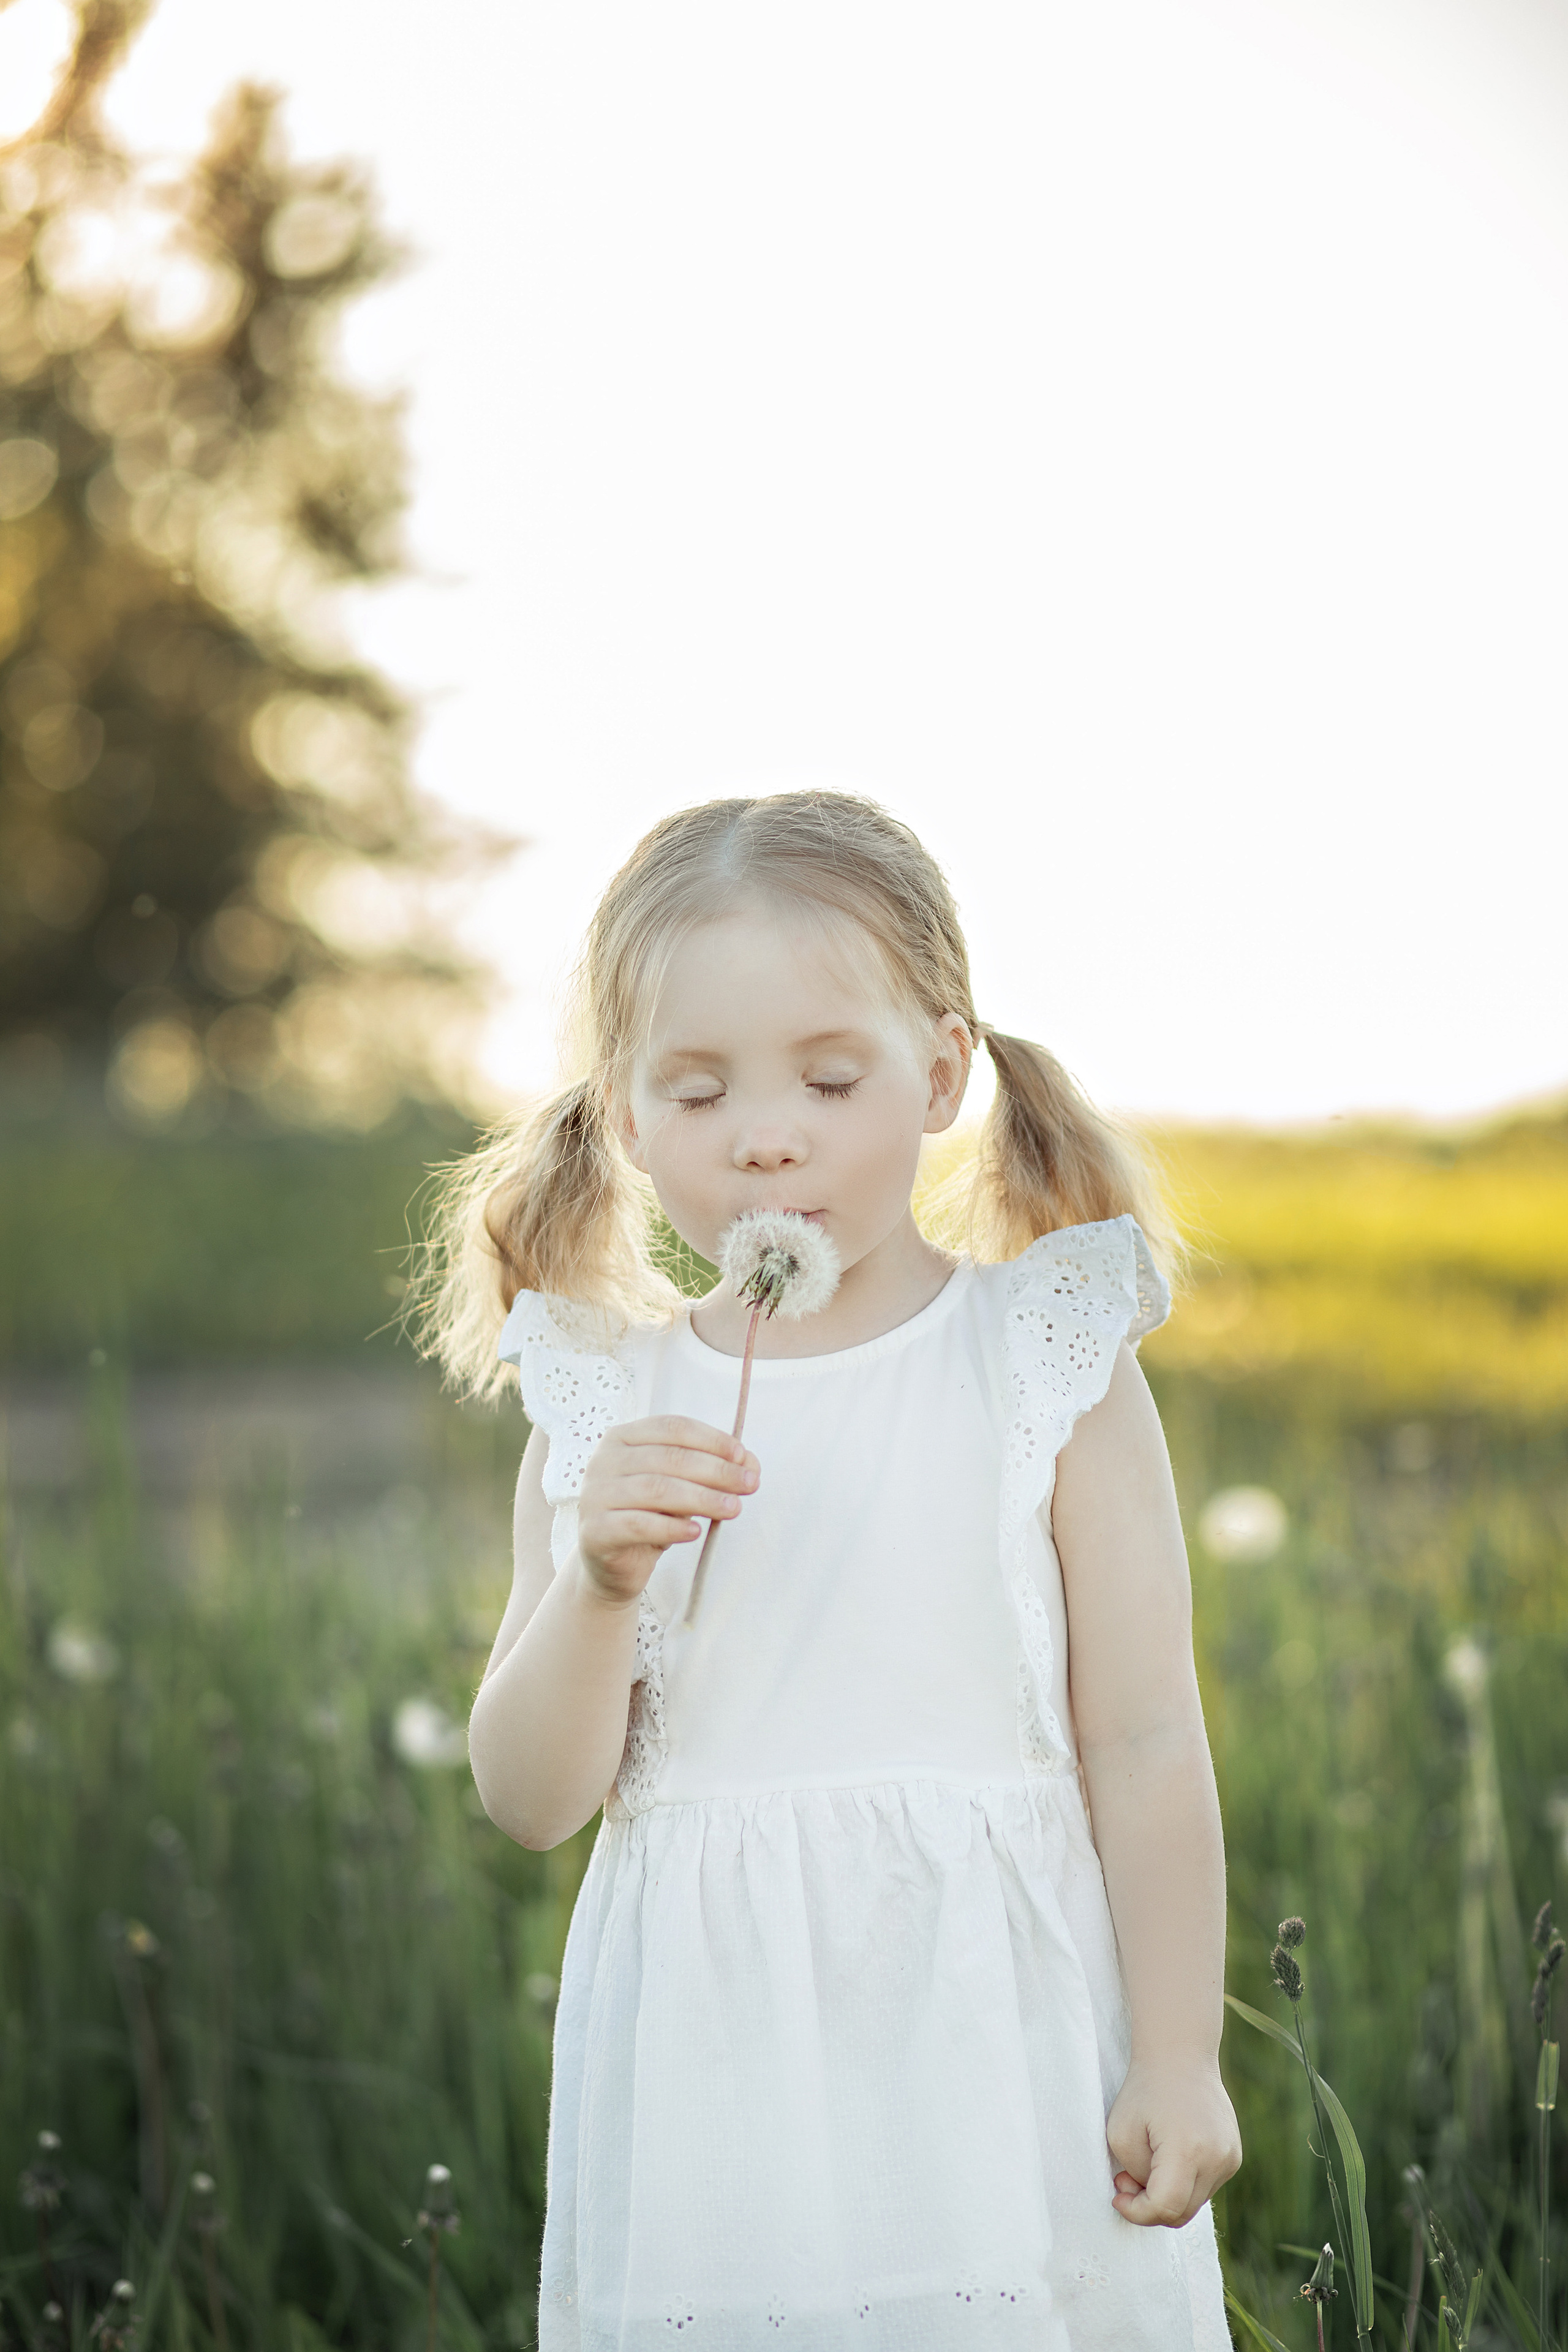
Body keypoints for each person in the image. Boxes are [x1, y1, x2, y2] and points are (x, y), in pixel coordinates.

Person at [424, 791, 1241, 2348]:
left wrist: (1176, 2053)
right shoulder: (606, 1402)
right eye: (697, 1088)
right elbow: (530, 1802)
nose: (766, 1132)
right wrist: (598, 1584)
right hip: (721, 2073)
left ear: (938, 1075)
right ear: (625, 1117)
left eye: (827, 1077)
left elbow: (1142, 1737)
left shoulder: (1040, 1359)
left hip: (998, 2042)